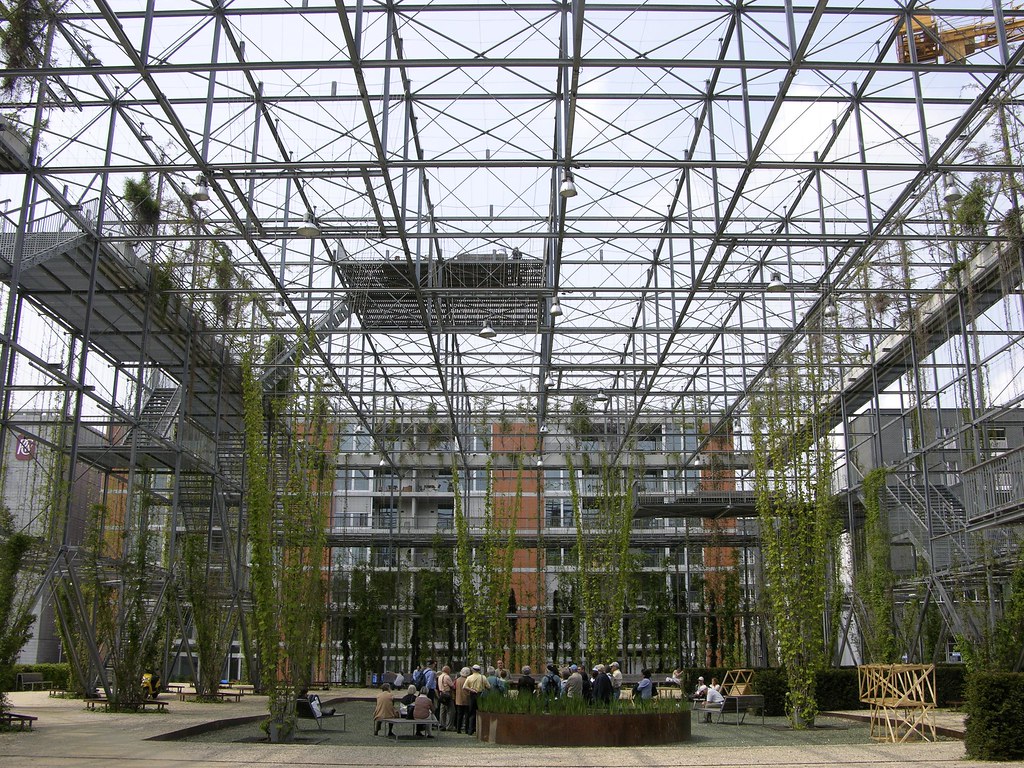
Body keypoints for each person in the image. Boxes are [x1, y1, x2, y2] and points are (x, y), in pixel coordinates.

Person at [463, 664, 490, 736]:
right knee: (480, 712)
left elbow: (464, 687)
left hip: (472, 695)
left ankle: (470, 730)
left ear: (473, 670)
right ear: (479, 670)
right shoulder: (483, 677)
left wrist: (471, 689)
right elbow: (489, 687)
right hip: (480, 695)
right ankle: (480, 729)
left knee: (471, 713)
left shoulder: (469, 677)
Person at [437, 664, 455, 731]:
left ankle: (442, 725)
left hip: (441, 694)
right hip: (447, 694)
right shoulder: (447, 677)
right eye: (449, 670)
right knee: (451, 711)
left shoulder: (440, 676)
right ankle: (449, 726)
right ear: (447, 670)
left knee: (442, 711)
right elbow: (452, 686)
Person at [454, 666, 470, 734]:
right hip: (466, 699)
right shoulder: (468, 680)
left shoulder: (457, 680)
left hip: (458, 699)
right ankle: (466, 729)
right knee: (466, 715)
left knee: (459, 715)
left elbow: (454, 687)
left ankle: (458, 729)